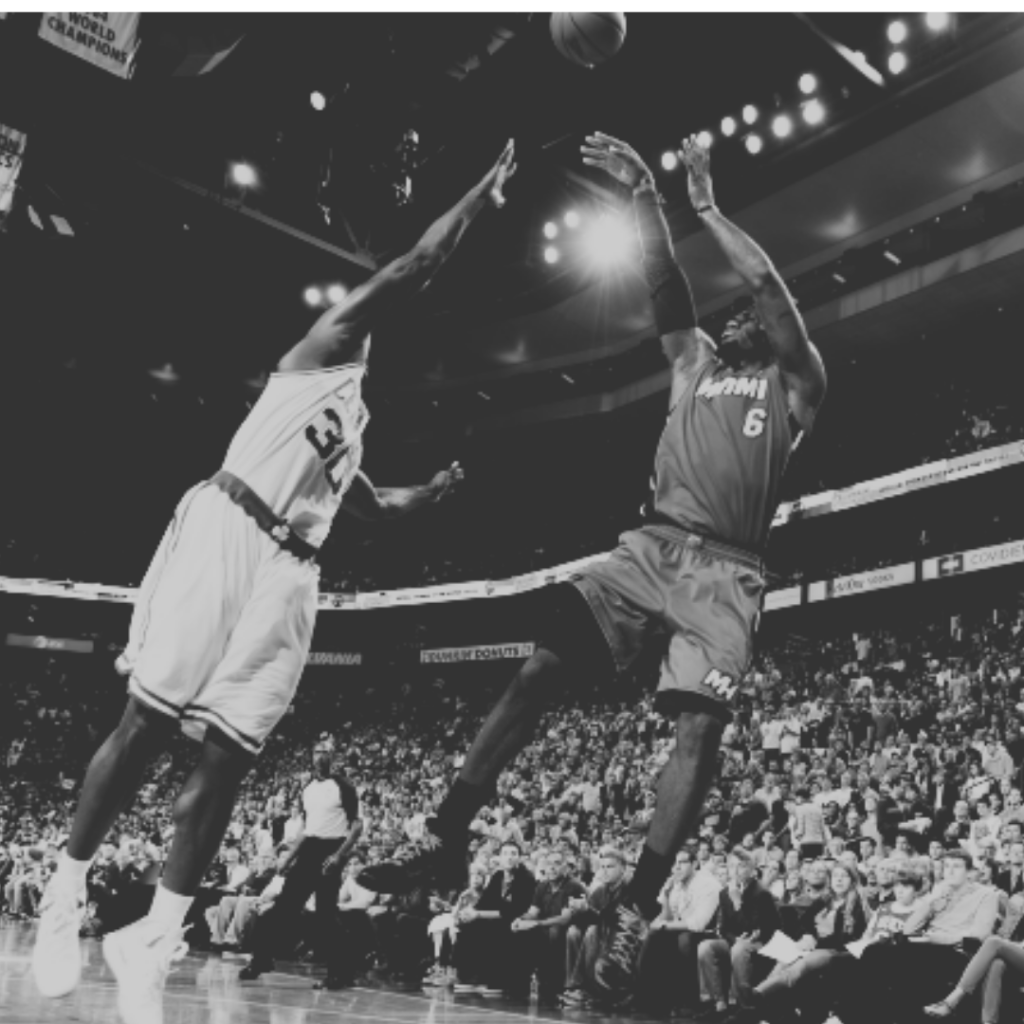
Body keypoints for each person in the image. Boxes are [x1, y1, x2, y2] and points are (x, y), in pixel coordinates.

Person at [30, 139, 517, 1024]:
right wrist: (479, 197)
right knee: (147, 723)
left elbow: (370, 507)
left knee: (229, 759)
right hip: (230, 526)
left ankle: (154, 939)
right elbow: (416, 264)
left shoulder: (353, 425)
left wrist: (429, 494)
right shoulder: (324, 349)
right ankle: (65, 894)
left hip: (294, 576)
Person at [358, 129, 826, 1004]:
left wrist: (706, 204)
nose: (736, 315)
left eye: (749, 315)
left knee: (698, 734)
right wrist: (647, 196)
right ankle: (446, 834)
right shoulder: (693, 363)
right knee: (539, 666)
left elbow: (767, 283)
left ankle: (638, 905)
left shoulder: (797, 383)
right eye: (729, 313)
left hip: (726, 573)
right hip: (648, 548)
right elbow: (663, 281)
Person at [241, 751, 361, 980]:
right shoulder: (308, 789)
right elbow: (307, 829)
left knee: (326, 914)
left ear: (332, 759)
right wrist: (288, 857)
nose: (321, 757)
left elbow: (357, 826)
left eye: (326, 752)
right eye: (318, 752)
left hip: (332, 849)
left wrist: (339, 855)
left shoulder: (344, 786)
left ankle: (341, 972)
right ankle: (261, 960)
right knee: (283, 907)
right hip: (309, 850)